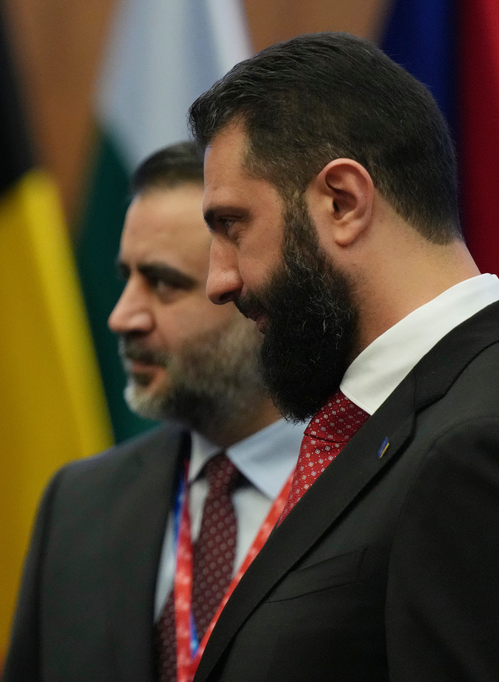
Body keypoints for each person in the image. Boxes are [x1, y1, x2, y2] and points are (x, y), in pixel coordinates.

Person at [187, 32, 499, 681]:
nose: (218, 280)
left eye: (232, 226)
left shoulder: (474, 439)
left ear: (342, 202)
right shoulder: (395, 420)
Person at [1, 141, 303, 682]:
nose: (122, 317)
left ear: (263, 299)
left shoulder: (378, 480)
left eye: (163, 283)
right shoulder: (79, 504)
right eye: (126, 278)